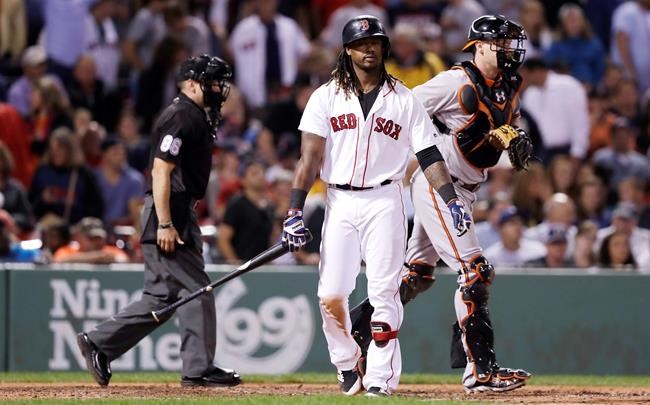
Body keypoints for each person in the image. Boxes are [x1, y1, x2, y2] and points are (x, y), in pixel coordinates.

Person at [282, 15, 468, 397]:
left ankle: (381, 378)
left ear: (384, 48)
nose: (369, 49)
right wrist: (294, 211)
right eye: (361, 44)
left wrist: (451, 199)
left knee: (384, 290)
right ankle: (347, 360)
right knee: (330, 294)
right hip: (339, 200)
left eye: (376, 43)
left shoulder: (404, 98)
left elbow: (430, 154)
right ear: (348, 50)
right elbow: (309, 159)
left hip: (386, 198)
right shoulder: (326, 96)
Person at [349, 15, 533, 393]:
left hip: (467, 186)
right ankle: (480, 371)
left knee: (415, 275)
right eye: (503, 43)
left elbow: (489, 138)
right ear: (479, 46)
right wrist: (419, 147)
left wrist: (510, 142)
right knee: (475, 270)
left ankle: (357, 332)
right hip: (439, 183)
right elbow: (404, 107)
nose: (511, 51)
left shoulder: (506, 88)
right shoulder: (456, 81)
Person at [76, 54, 241, 388]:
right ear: (192, 83)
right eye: (212, 82)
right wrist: (166, 223)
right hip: (171, 208)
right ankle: (198, 370)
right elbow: (161, 169)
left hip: (174, 207)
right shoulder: (181, 114)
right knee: (197, 289)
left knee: (162, 298)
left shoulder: (191, 113)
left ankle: (99, 343)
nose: (218, 89)